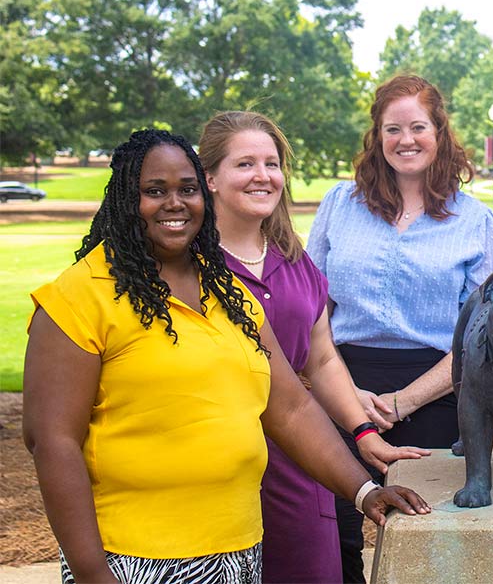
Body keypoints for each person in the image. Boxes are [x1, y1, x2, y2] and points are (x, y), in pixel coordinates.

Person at [22, 129, 429, 584]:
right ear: (123, 198)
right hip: (132, 559)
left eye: (187, 190)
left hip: (237, 552)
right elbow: (52, 441)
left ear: (203, 196)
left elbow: (291, 409)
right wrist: (93, 574)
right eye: (154, 191)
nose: (174, 204)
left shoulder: (227, 293)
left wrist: (364, 491)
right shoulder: (79, 296)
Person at [199, 111, 431, 583]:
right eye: (244, 164)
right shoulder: (188, 265)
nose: (263, 175)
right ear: (210, 178)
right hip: (214, 468)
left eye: (271, 163)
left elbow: (321, 356)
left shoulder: (294, 261)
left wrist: (365, 435)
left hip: (301, 461)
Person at [306, 75, 493, 583]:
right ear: (377, 136)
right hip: (340, 381)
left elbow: (482, 335)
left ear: (439, 132)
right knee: (335, 532)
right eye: (393, 128)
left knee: (427, 535)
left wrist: (402, 401)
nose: (406, 139)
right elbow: (311, 307)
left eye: (418, 126)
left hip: (438, 390)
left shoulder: (473, 220)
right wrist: (348, 396)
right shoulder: (339, 204)